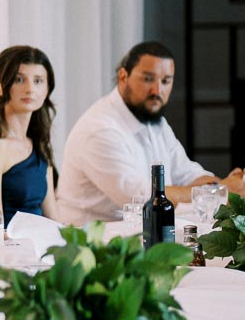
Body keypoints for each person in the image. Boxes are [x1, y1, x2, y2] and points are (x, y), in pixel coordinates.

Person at [58, 41, 243, 225]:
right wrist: (222, 191)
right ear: (123, 77)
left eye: (165, 81)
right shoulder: (99, 129)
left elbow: (188, 173)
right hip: (95, 242)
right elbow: (143, 198)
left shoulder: (154, 120)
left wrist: (226, 187)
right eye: (148, 79)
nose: (157, 90)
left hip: (140, 232)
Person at [0, 45, 59, 223]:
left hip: (41, 244)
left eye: (38, 81)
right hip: (8, 247)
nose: (30, 89)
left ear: (47, 90)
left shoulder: (39, 142)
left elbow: (53, 218)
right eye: (19, 80)